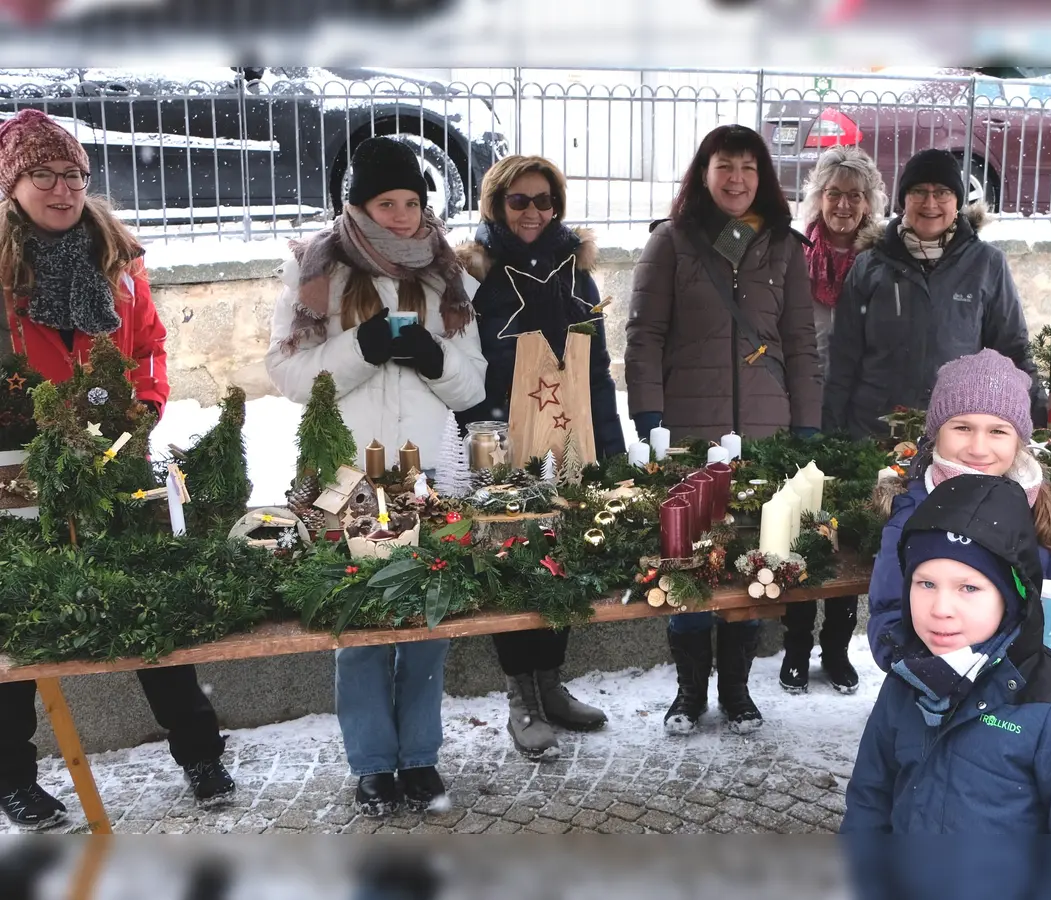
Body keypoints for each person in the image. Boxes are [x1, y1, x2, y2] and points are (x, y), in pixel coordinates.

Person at [0, 109, 235, 828]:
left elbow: (151, 342)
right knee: (21, 620)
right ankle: (12, 776)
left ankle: (199, 751)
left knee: (147, 602)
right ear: (11, 183)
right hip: (18, 465)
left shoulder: (119, 254)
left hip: (115, 453)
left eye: (72, 174)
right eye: (41, 174)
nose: (61, 188)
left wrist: (149, 401)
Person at [266, 136, 487, 817]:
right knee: (360, 624)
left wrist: (430, 356)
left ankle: (419, 757)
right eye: (386, 202)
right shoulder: (315, 274)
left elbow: (471, 385)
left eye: (412, 202)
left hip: (425, 476)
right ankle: (371, 764)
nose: (401, 216)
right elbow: (290, 374)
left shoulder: (446, 277)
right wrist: (360, 348)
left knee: (427, 618)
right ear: (356, 206)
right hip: (345, 479)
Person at [625, 124, 821, 736]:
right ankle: (689, 692)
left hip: (767, 430)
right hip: (689, 431)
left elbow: (800, 342)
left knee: (753, 561)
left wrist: (807, 423)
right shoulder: (673, 243)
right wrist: (649, 415)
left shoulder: (785, 248)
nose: (736, 180)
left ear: (762, 177)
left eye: (748, 168)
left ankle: (736, 689)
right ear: (702, 174)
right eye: (723, 166)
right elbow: (644, 336)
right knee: (687, 565)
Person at [842, 474, 1051, 834]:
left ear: (1012, 596)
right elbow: (869, 800)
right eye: (925, 583)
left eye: (969, 587)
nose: (941, 608)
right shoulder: (907, 678)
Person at [455, 154, 615, 759]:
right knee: (512, 567)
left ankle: (551, 684)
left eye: (544, 201)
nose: (532, 212)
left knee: (563, 559)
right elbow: (462, 367)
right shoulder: (473, 274)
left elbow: (596, 369)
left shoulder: (579, 273)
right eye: (519, 201)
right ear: (496, 203)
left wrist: (610, 445)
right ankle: (520, 696)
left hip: (568, 438)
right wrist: (477, 445)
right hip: (499, 440)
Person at [869, 349, 1051, 674]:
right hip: (938, 700)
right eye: (962, 428)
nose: (978, 448)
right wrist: (931, 668)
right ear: (936, 435)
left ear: (1018, 441)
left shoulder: (1038, 513)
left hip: (1022, 697)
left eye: (997, 431)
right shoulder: (913, 516)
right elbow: (888, 617)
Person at [822, 147, 1045, 440]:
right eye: (918, 191)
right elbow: (843, 356)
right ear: (904, 200)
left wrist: (1041, 417)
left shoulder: (986, 264)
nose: (930, 203)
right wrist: (830, 434)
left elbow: (1012, 351)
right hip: (874, 431)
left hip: (957, 432)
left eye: (942, 193)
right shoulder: (870, 264)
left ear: (957, 202)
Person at [778, 145, 887, 696]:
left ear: (870, 204)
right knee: (802, 528)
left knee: (852, 531)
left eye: (855, 195)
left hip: (863, 418)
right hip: (804, 412)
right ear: (818, 199)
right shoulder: (795, 256)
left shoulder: (883, 259)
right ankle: (796, 646)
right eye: (834, 193)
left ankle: (838, 649)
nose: (844, 205)